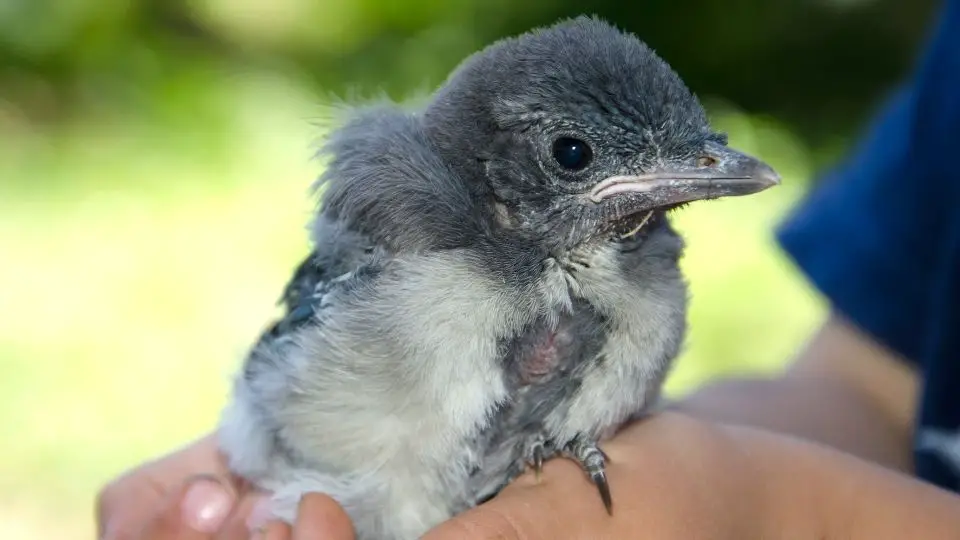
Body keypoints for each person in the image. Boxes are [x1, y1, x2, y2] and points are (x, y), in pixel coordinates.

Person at [95, 0, 960, 537]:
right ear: (496, 171)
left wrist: (776, 510)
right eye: (576, 156)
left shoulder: (642, 291)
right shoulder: (408, 249)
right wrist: (691, 485)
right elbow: (873, 388)